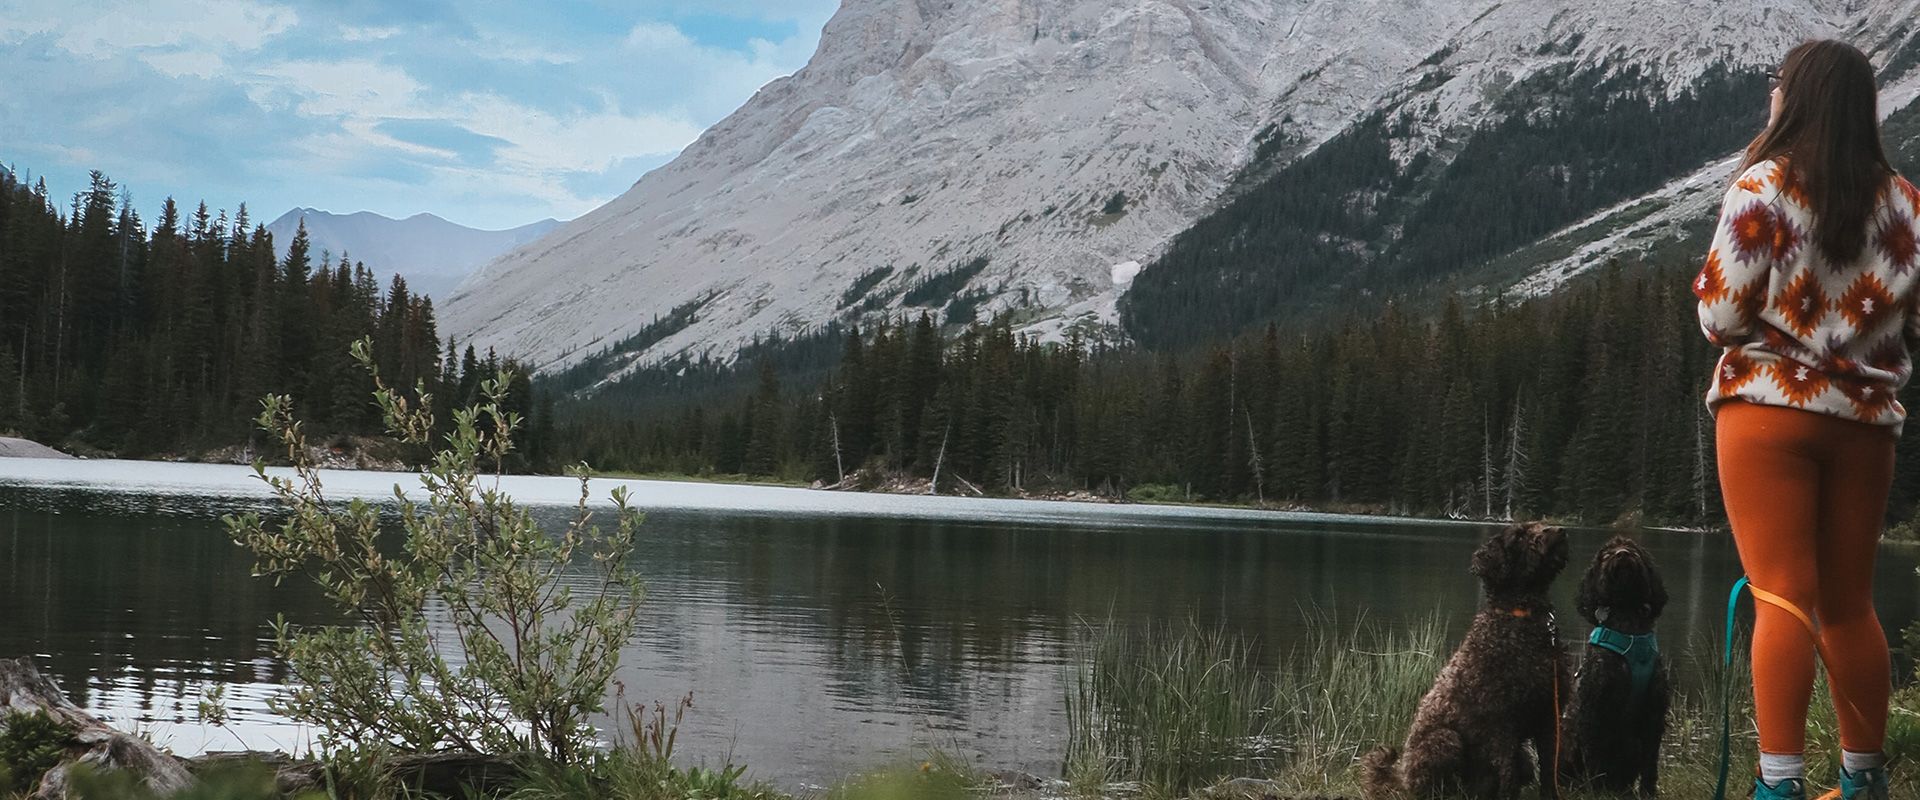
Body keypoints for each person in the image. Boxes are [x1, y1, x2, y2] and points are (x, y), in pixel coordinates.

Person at [1694, 38, 1920, 800]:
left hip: (1767, 414)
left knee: (1782, 593)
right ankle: (1864, 778)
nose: (1770, 96)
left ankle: (1779, 784)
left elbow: (1722, 314)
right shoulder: (1908, 204)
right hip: (1864, 420)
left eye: (1776, 85)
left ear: (1795, 97)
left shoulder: (1762, 186)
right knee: (1850, 603)